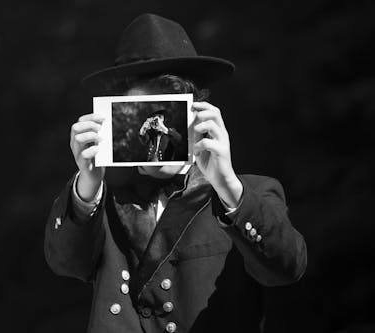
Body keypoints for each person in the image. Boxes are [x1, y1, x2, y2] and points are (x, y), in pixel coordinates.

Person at [45, 13, 307, 333]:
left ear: (196, 115)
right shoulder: (102, 198)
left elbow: (286, 268)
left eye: (167, 109)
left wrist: (228, 185)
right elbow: (64, 263)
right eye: (135, 112)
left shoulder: (248, 194)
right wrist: (86, 185)